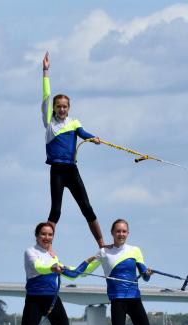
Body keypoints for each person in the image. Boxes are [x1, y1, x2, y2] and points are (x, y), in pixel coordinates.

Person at [80, 219, 161, 325]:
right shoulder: (104, 253)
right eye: (118, 231)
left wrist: (148, 273)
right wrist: (74, 267)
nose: (121, 234)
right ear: (112, 233)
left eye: (124, 231)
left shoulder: (135, 250)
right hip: (117, 301)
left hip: (134, 300)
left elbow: (144, 276)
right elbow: (82, 273)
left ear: (128, 233)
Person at [7, 222, 89, 325]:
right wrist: (52, 268)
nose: (47, 237)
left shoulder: (53, 256)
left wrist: (89, 262)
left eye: (50, 234)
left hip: (52, 301)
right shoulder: (30, 252)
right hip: (35, 301)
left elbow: (73, 274)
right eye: (43, 234)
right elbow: (39, 267)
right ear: (37, 236)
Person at [42, 51, 104, 247]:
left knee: (87, 207)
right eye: (58, 106)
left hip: (72, 170)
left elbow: (83, 132)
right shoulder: (49, 122)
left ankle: (102, 244)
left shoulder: (73, 122)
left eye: (64, 107)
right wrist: (45, 72)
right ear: (54, 108)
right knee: (56, 211)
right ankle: (47, 247)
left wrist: (93, 138)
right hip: (57, 171)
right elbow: (46, 95)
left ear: (69, 108)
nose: (61, 109)